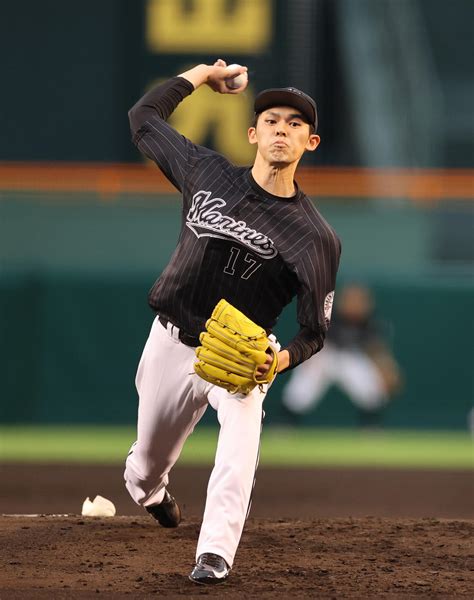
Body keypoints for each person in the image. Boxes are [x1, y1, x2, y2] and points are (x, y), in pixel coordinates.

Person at [124, 59, 341, 584]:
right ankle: (152, 491)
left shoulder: (316, 238)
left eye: (295, 123)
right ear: (253, 133)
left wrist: (278, 359)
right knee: (144, 467)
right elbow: (143, 117)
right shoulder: (208, 172)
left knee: (240, 445)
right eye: (271, 120)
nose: (282, 129)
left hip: (244, 358)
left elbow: (315, 329)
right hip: (172, 341)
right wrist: (200, 74)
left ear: (310, 142)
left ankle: (215, 553)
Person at [282, 283, 402, 428]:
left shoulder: (369, 321)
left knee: (370, 390)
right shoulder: (328, 314)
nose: (355, 304)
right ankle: (285, 424)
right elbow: (310, 338)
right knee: (301, 389)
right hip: (324, 354)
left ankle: (372, 427)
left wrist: (386, 367)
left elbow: (376, 349)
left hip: (349, 357)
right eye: (351, 299)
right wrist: (307, 357)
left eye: (360, 300)